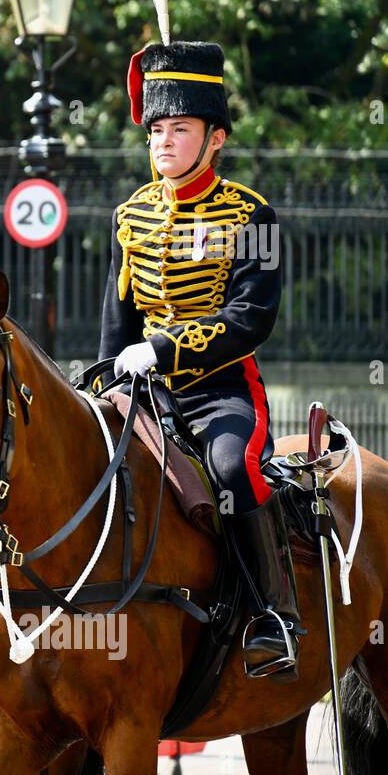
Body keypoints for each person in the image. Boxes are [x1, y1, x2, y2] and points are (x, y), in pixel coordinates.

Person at [100, 37, 304, 680]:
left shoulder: (254, 215)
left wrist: (162, 348)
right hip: (146, 396)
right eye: (156, 128)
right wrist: (106, 379)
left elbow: (252, 320)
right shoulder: (129, 215)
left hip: (221, 392)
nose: (163, 141)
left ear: (214, 137)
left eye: (179, 128)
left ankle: (273, 614)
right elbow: (117, 321)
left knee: (230, 466)